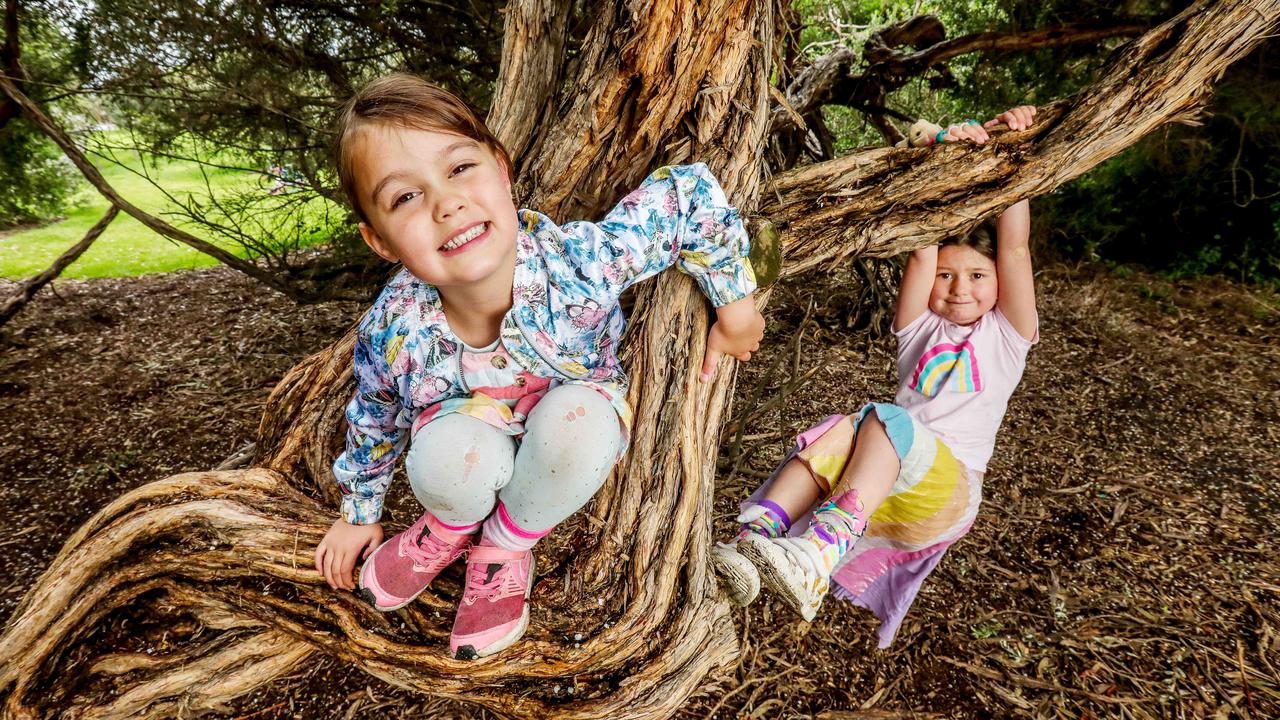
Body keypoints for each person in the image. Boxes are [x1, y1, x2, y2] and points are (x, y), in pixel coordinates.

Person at [313, 74, 765, 660]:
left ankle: (504, 546)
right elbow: (374, 414)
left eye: (458, 169)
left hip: (569, 416)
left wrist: (736, 305)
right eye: (405, 197)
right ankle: (447, 528)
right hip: (464, 431)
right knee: (447, 462)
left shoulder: (578, 263)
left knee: (582, 427)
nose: (446, 205)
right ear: (380, 242)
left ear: (501, 169)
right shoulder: (394, 327)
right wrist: (359, 511)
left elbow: (688, 196)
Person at [712, 106, 1039, 648]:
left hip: (948, 491)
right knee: (840, 431)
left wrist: (1017, 146)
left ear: (1000, 281)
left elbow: (1016, 248)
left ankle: (816, 557)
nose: (960, 288)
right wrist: (937, 157)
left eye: (978, 276)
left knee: (883, 418)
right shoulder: (917, 329)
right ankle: (754, 541)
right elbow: (920, 253)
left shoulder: (1008, 334)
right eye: (947, 275)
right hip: (896, 475)